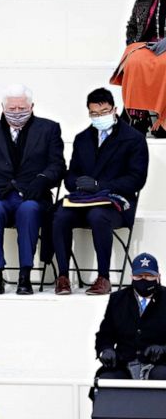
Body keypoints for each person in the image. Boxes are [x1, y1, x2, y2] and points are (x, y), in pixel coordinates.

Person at [0, 84, 65, 295]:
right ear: (3, 107)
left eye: (21, 108)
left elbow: (58, 165)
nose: (17, 113)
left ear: (32, 106)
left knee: (28, 211)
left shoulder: (49, 128)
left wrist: (42, 180)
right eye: (12, 109)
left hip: (33, 197)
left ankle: (25, 275)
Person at [52, 88, 149, 296]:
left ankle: (103, 277)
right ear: (88, 113)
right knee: (60, 214)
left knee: (98, 215)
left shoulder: (133, 139)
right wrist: (78, 183)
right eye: (94, 114)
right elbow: (71, 172)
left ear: (114, 110)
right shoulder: (82, 138)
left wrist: (100, 184)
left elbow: (136, 178)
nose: (100, 117)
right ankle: (62, 276)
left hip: (116, 202)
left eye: (104, 112)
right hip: (84, 199)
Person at [91, 253, 166, 419]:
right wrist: (105, 350)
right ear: (132, 276)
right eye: (140, 275)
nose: (145, 280)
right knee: (104, 381)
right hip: (125, 363)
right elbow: (104, 334)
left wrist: (164, 349)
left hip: (158, 364)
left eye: (149, 276)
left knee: (164, 378)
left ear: (158, 276)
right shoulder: (117, 299)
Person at [111, 0, 166, 138]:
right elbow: (132, 25)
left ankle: (162, 121)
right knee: (134, 61)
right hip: (146, 45)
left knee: (164, 65)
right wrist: (133, 44)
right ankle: (138, 117)